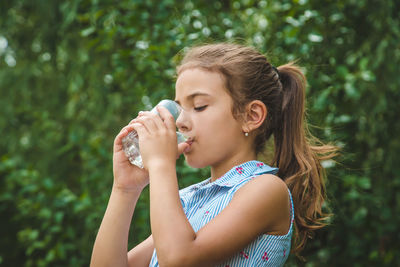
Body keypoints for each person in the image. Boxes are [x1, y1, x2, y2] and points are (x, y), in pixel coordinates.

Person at [90, 43, 337, 267]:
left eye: (199, 106)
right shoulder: (188, 201)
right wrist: (125, 189)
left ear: (251, 117)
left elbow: (179, 259)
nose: (181, 123)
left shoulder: (266, 189)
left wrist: (160, 164)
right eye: (179, 108)